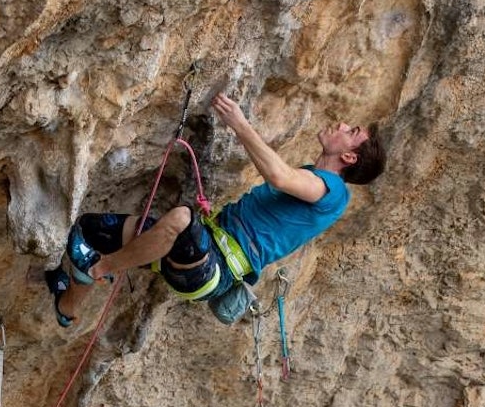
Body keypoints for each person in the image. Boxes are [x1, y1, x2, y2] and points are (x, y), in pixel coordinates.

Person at [47, 93, 386, 326]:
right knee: (92, 230)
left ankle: (101, 268)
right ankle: (67, 307)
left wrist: (238, 123)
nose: (342, 125)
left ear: (349, 157)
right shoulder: (313, 178)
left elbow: (279, 176)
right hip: (204, 249)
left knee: (180, 218)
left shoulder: (334, 192)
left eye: (351, 131)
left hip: (214, 269)